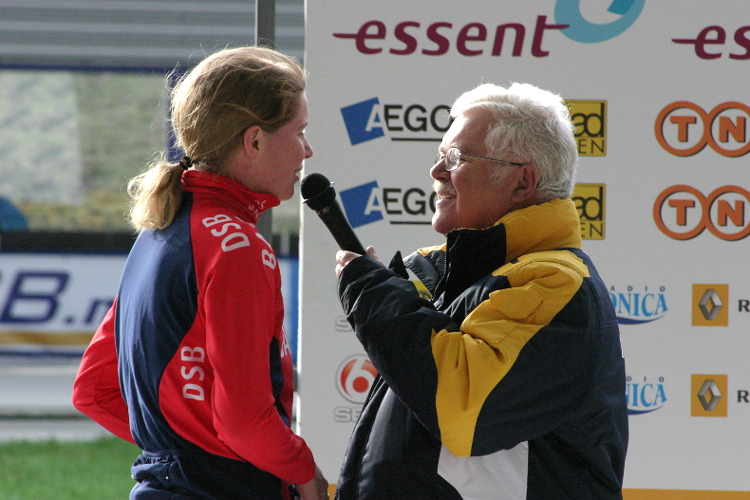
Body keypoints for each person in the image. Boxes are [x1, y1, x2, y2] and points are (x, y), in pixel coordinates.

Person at [333, 83, 628, 499]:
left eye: (455, 159)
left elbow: (463, 407)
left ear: (523, 182)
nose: (437, 173)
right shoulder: (451, 272)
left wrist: (375, 296)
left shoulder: (556, 283)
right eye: (439, 157)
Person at [72, 46, 329, 500]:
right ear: (254, 141)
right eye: (300, 132)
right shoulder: (238, 247)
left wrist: (182, 449)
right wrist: (306, 475)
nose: (307, 150)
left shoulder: (160, 230)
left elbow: (94, 390)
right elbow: (244, 421)